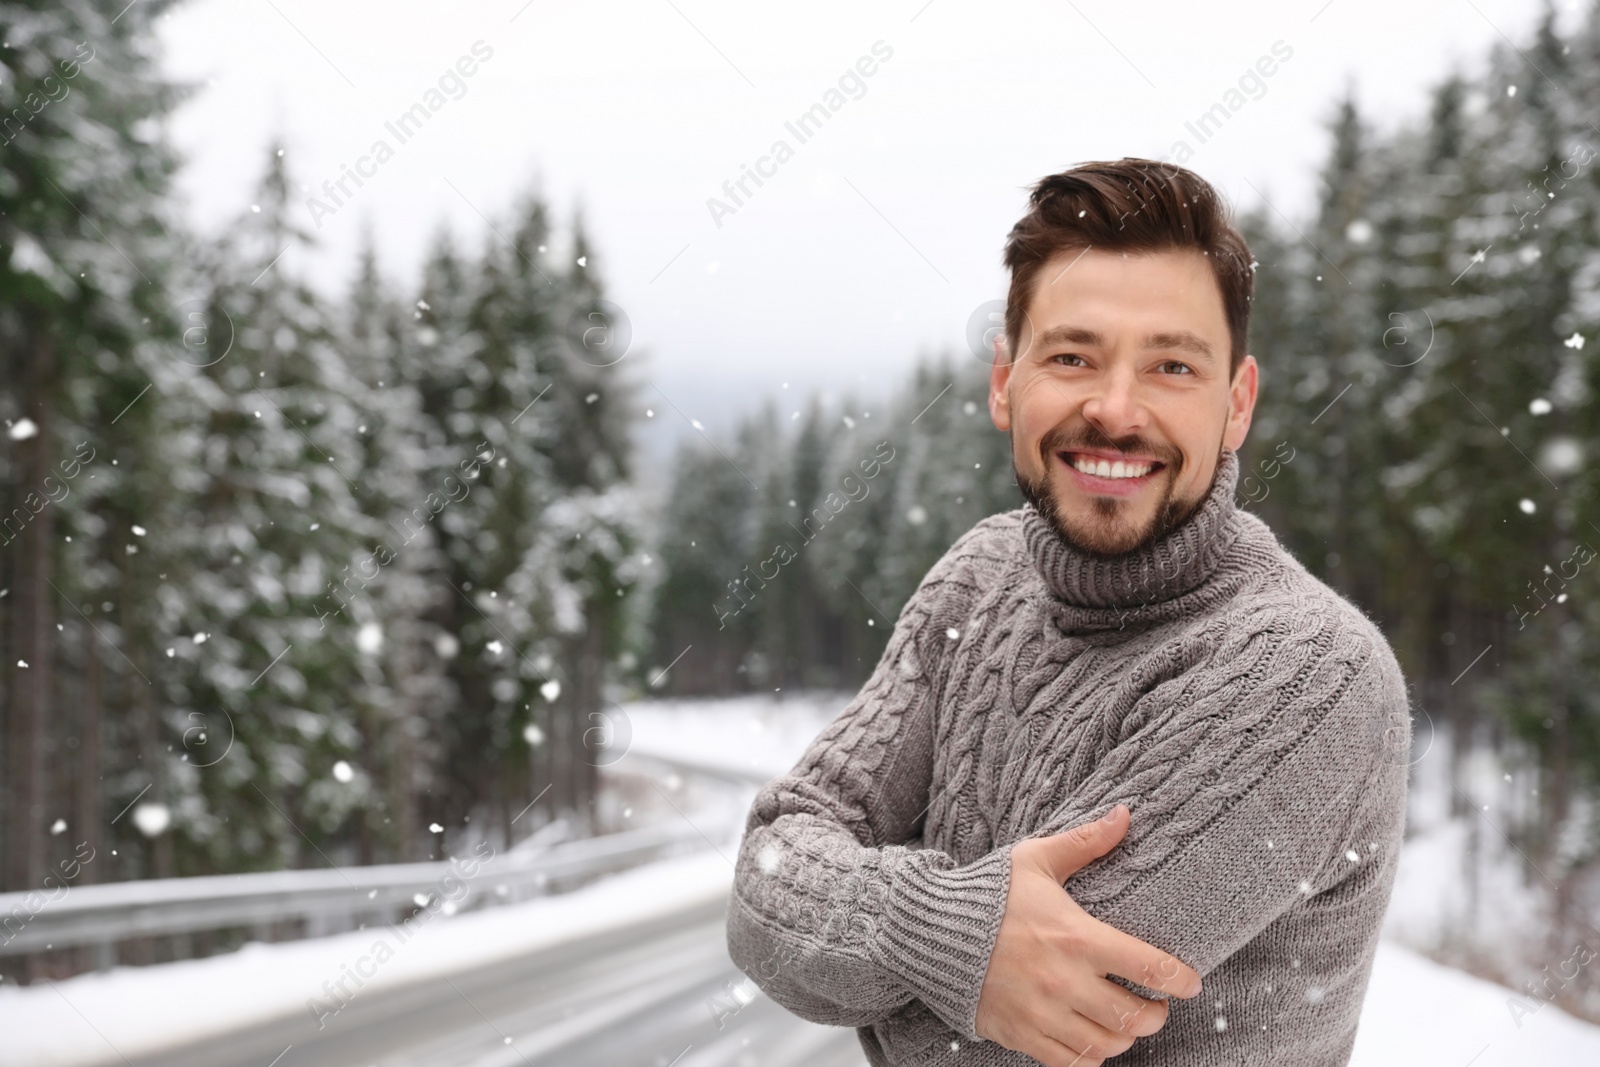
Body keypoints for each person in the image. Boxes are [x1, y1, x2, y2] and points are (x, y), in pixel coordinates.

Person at [724, 157, 1411, 1066]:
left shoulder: (1310, 674)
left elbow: (980, 1050)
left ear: (1236, 403)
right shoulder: (980, 576)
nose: (1115, 410)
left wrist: (868, 934)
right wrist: (955, 932)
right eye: (1073, 356)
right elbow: (763, 885)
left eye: (1171, 364)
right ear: (1006, 384)